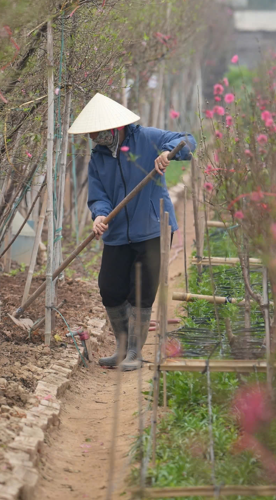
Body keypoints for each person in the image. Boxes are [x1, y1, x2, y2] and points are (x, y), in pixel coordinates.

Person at [68, 93, 196, 371]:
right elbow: (99, 194)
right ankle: (122, 347)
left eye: (95, 132)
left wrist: (167, 152)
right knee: (110, 289)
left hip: (152, 228)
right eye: (89, 133)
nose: (91, 137)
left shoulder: (147, 138)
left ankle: (135, 352)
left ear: (113, 127)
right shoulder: (98, 157)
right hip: (116, 233)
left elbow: (188, 141)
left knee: (142, 291)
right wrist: (101, 214)